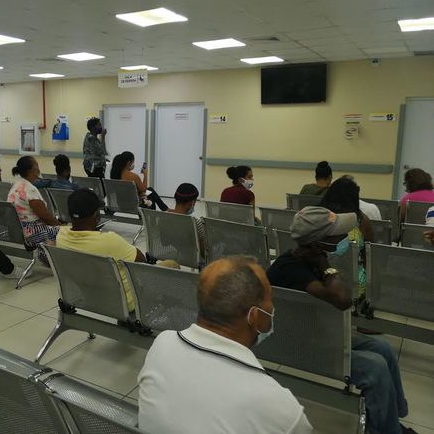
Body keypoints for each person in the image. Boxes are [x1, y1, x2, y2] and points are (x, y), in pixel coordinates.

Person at [266, 206, 414, 434]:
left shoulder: (307, 258)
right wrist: (326, 266)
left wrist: (322, 262)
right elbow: (342, 299)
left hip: (315, 334)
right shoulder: (291, 268)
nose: (346, 237)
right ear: (317, 243)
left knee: (381, 347)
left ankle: (390, 421)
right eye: (339, 234)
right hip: (297, 346)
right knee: (375, 369)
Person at [138, 256, 312, 434]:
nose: (272, 307)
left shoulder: (163, 343)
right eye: (270, 299)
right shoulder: (280, 407)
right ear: (254, 316)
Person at [56, 188, 146, 312]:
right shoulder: (110, 241)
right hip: (124, 303)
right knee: (171, 266)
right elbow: (142, 260)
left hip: (87, 298)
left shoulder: (61, 236)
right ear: (96, 215)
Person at [321, 176, 373, 298]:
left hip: (320, 278)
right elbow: (369, 254)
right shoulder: (361, 220)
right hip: (352, 283)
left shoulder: (319, 217)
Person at [8, 156, 63, 248]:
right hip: (32, 232)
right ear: (32, 170)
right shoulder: (30, 190)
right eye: (36, 165)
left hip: (19, 230)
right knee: (68, 233)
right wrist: (62, 227)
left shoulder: (17, 184)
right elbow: (45, 217)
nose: (38, 167)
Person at [167, 183, 205, 256]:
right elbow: (203, 253)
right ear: (191, 202)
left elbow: (164, 243)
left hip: (173, 255)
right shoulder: (195, 223)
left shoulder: (163, 218)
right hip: (193, 258)